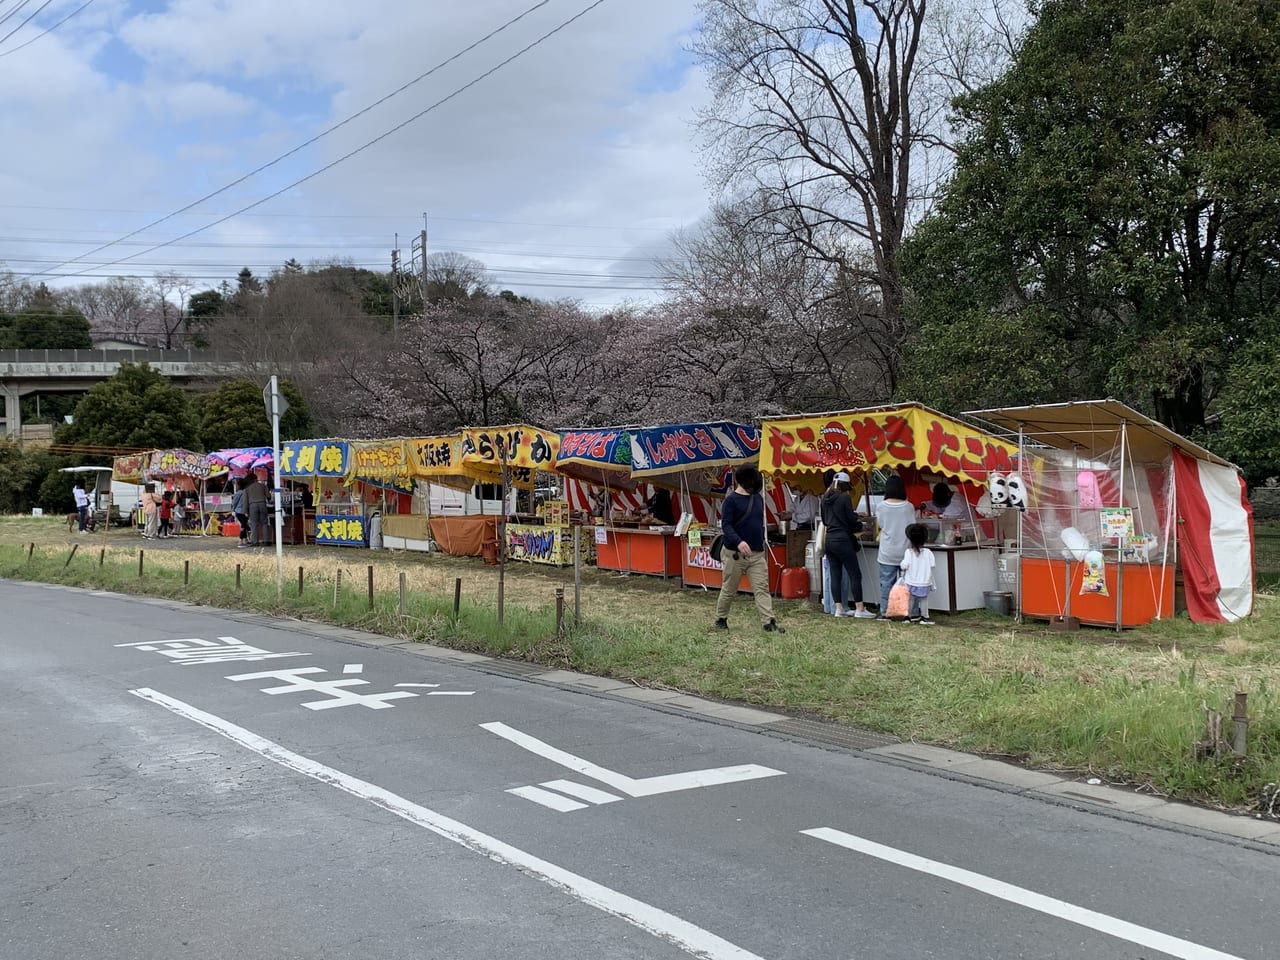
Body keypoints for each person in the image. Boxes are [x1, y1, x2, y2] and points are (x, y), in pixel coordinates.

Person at [713, 464, 785, 633]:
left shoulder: (757, 498)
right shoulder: (730, 501)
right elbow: (727, 526)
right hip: (734, 554)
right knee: (729, 589)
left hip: (757, 554)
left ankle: (769, 622)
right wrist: (739, 542)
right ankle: (720, 618)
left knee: (761, 588)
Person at [821, 472, 876, 618]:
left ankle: (838, 608)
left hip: (829, 539)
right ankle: (860, 608)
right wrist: (858, 521)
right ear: (845, 485)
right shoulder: (844, 497)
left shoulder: (825, 498)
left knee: (835, 574)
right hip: (843, 540)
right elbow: (850, 519)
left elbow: (825, 521)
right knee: (854, 573)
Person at [875, 474, 916, 619]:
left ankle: (885, 612)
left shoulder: (881, 507)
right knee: (910, 583)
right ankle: (910, 611)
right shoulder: (909, 507)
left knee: (886, 584)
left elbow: (880, 525)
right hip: (906, 551)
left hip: (887, 551)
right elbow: (912, 527)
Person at [899, 523, 938, 625]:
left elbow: (904, 565)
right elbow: (933, 565)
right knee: (924, 599)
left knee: (910, 599)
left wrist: (902, 564)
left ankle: (907, 616)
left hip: (910, 581)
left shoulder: (909, 552)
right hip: (925, 581)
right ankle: (924, 617)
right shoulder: (928, 552)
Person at [242, 473, 270, 547]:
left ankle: (255, 542)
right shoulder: (263, 486)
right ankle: (266, 541)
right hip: (262, 504)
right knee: (264, 523)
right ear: (256, 479)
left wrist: (245, 511)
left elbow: (245, 501)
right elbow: (268, 496)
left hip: (252, 506)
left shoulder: (247, 489)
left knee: (254, 524)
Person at [231, 478, 249, 546]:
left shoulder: (238, 493)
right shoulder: (246, 492)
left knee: (243, 525)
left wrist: (233, 510)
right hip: (245, 511)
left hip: (238, 511)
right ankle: (241, 539)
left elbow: (234, 502)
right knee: (243, 525)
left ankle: (244, 539)